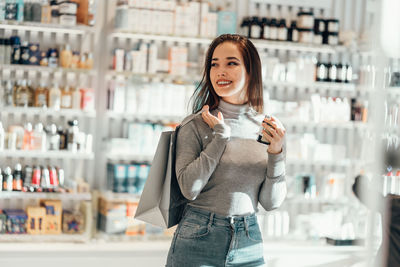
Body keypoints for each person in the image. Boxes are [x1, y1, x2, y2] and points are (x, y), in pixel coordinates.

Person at [166, 34, 287, 267]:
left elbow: (271, 202)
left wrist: (277, 154)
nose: (220, 71)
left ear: (251, 70)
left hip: (248, 240)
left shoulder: (268, 128)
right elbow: (189, 189)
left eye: (231, 63)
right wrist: (220, 137)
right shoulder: (196, 124)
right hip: (198, 237)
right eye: (214, 64)